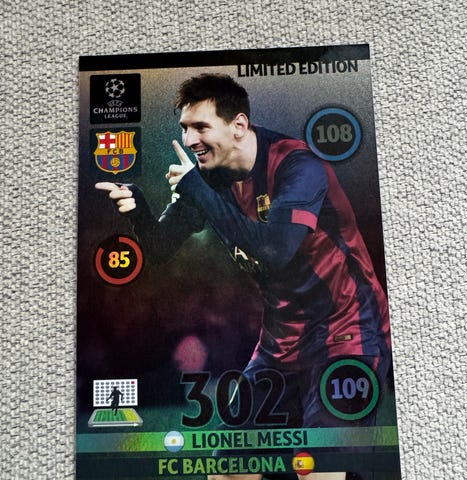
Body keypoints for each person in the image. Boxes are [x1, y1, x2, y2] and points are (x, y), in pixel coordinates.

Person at [96, 74, 392, 480]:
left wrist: (197, 190)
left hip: (347, 331)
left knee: (319, 472)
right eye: (185, 128)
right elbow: (160, 247)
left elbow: (275, 251)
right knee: (228, 470)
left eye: (201, 127)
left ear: (238, 125)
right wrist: (138, 209)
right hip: (280, 343)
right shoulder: (209, 178)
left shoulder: (298, 166)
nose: (190, 139)